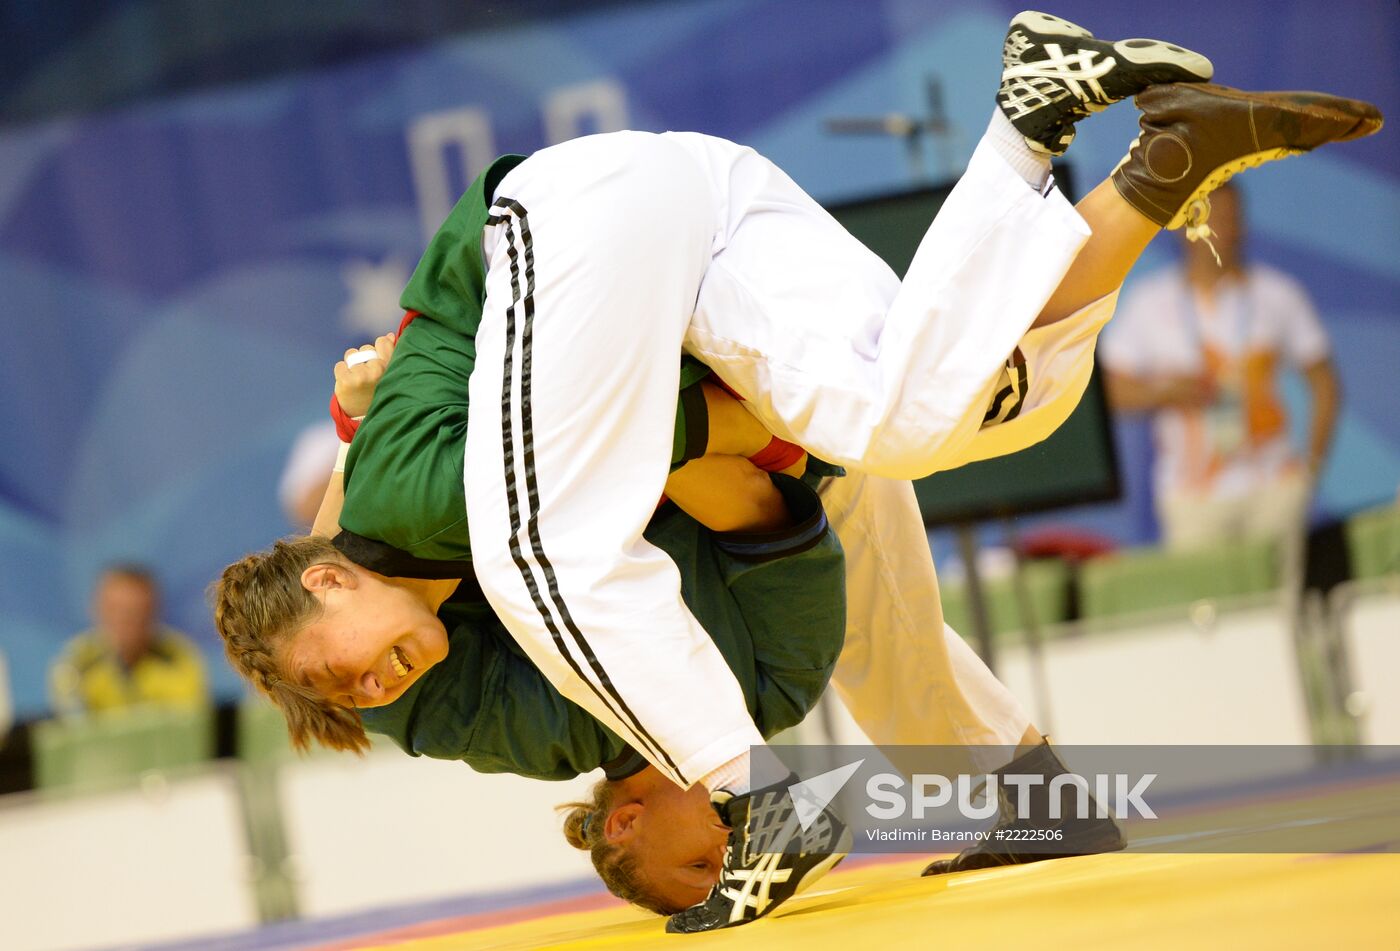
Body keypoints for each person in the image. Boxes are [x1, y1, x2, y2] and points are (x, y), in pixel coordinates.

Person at [214, 7, 1381, 930]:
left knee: (551, 556)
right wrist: (750, 438)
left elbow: (424, 503)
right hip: (695, 237)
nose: (371, 691)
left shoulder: (412, 517)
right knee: (938, 414)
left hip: (576, 233)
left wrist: (358, 411)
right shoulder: (448, 639)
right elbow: (615, 463)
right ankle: (1102, 151)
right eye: (352, 701)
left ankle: (761, 802)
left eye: (346, 673)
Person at [1101, 181, 1341, 551]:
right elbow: (1108, 392)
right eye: (1215, 220)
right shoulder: (1149, 303)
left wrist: (1309, 471)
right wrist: (1165, 392)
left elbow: (1325, 383)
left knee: (1283, 598)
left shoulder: (1278, 294)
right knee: (1210, 603)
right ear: (1185, 226)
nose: (1226, 232)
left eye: (1233, 220)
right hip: (1192, 494)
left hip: (1273, 485)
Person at [51, 565, 208, 715]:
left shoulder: (179, 658)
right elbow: (75, 730)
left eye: (136, 611)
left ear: (153, 611)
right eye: (115, 610)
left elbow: (188, 723)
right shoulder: (75, 664)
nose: (125, 620)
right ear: (97, 609)